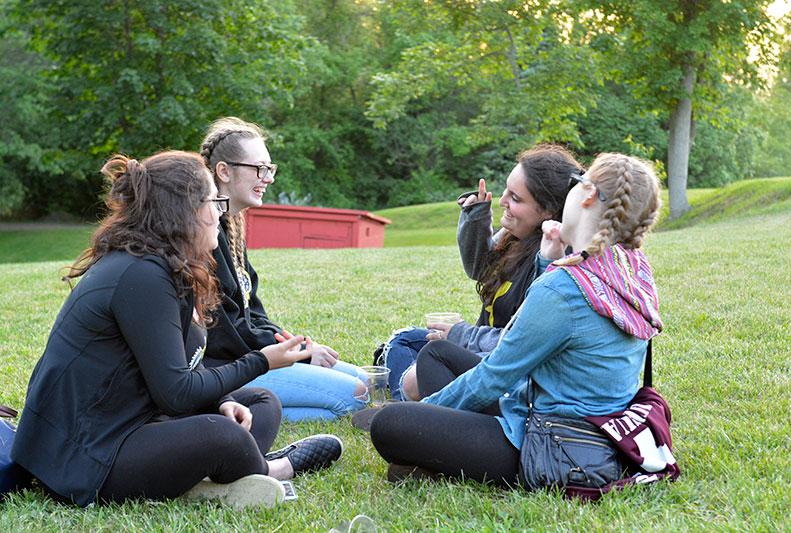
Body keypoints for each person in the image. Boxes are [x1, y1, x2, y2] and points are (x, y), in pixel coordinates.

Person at [11, 151, 343, 508]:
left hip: (131, 420)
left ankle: (210, 477)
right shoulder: (141, 274)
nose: (220, 211)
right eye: (213, 201)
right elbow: (177, 394)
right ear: (183, 210)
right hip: (84, 456)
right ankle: (274, 468)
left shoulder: (163, 266)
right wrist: (261, 361)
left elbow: (180, 371)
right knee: (223, 436)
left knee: (260, 403)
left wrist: (223, 401)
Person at [369, 153, 663, 488]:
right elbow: (549, 332)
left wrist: (428, 412)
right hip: (591, 432)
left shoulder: (564, 289)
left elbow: (495, 375)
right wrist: (547, 262)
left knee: (390, 424)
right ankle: (439, 457)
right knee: (438, 355)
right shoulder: (627, 269)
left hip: (552, 447)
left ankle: (436, 458)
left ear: (588, 195)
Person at [380, 145, 582, 401]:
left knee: (419, 370)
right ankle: (405, 390)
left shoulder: (555, 256)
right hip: (480, 348)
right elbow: (480, 269)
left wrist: (460, 335)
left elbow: (523, 343)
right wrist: (475, 218)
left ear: (549, 211)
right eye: (507, 190)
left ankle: (401, 397)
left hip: (508, 369)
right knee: (405, 340)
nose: (502, 201)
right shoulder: (517, 237)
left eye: (516, 198)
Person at [198, 117, 368, 421]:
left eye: (270, 169)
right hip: (226, 369)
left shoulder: (233, 226)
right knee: (357, 397)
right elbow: (225, 333)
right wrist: (298, 353)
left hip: (251, 356)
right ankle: (231, 408)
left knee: (367, 383)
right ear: (223, 171)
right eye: (259, 169)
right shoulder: (205, 235)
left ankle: (261, 405)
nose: (269, 178)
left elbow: (252, 314)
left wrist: (298, 345)